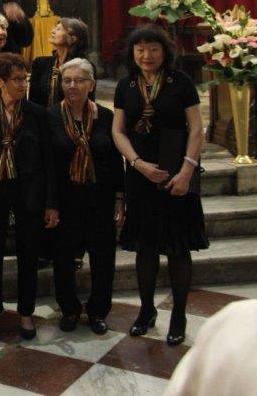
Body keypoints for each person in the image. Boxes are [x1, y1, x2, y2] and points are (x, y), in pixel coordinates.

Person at [111, 25, 207, 346]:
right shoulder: (126, 85)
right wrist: (137, 164)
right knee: (145, 248)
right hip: (141, 174)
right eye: (140, 49)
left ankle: (178, 315)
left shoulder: (181, 83)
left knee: (178, 249)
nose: (146, 55)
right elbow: (118, 131)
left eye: (153, 49)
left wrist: (186, 171)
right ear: (132, 53)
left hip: (177, 171)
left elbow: (196, 129)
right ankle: (147, 310)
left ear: (164, 51)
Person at [0, 53, 58, 340]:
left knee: (28, 254)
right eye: (17, 79)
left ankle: (26, 313)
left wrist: (51, 203)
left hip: (28, 191)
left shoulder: (37, 113)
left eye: (25, 78)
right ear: (0, 81)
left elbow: (49, 161)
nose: (23, 84)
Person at [49, 58, 124, 335]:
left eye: (79, 80)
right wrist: (51, 204)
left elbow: (116, 162)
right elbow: (48, 166)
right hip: (65, 201)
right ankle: (69, 309)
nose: (72, 86)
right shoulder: (52, 117)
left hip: (100, 199)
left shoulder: (106, 117)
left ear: (91, 84)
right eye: (67, 80)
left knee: (103, 258)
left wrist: (119, 198)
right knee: (63, 258)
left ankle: (98, 310)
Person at [30, 17, 91, 107]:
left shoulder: (85, 68)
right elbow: (33, 102)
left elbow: (87, 104)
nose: (52, 31)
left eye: (58, 29)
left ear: (73, 38)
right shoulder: (40, 63)